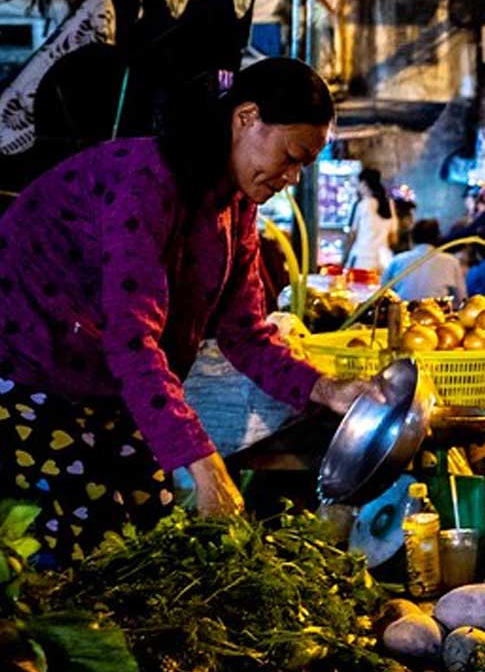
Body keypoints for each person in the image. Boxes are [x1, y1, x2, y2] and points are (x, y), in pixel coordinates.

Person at [0, 57, 371, 556]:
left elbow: (246, 333)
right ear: (246, 118)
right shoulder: (144, 181)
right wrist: (202, 461)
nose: (292, 176)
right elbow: (133, 338)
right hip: (28, 373)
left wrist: (326, 389)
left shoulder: (235, 206)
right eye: (290, 156)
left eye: (303, 165)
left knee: (152, 528)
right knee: (87, 548)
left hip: (103, 383)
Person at [385, 218, 467, 303]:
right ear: (438, 238)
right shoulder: (451, 261)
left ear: (411, 239)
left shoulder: (397, 261)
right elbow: (460, 298)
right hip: (438, 313)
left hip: (404, 313)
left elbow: (383, 294)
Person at [344, 166, 395, 274]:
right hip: (383, 259)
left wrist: (345, 257)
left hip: (363, 258)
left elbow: (353, 234)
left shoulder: (363, 204)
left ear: (364, 184)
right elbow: (393, 235)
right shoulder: (389, 204)